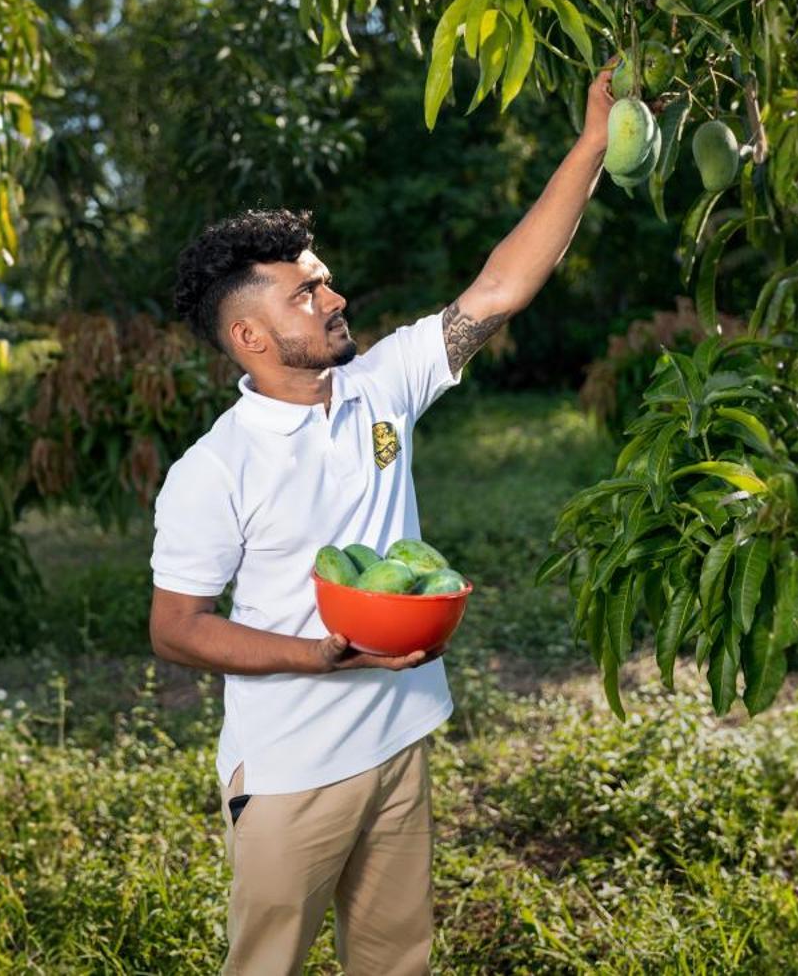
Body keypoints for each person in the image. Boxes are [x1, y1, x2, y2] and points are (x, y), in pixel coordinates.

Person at [148, 62, 618, 975]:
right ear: (250, 336)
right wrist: (317, 655)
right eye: (307, 293)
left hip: (398, 740)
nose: (336, 300)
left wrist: (594, 138)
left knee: (397, 962)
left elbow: (500, 289)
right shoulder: (215, 468)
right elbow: (176, 629)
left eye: (325, 282)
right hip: (290, 770)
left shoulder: (379, 386)